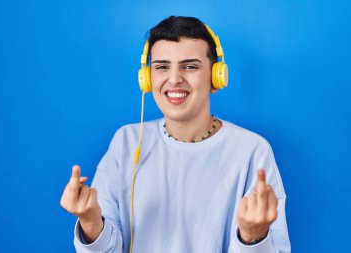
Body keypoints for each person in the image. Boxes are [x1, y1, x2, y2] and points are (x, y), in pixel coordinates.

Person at [60, 16, 291, 253]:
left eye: (189, 66)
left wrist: (252, 238)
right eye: (161, 67)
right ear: (147, 79)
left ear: (216, 77)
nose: (174, 79)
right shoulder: (126, 142)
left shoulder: (251, 150)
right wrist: (90, 222)